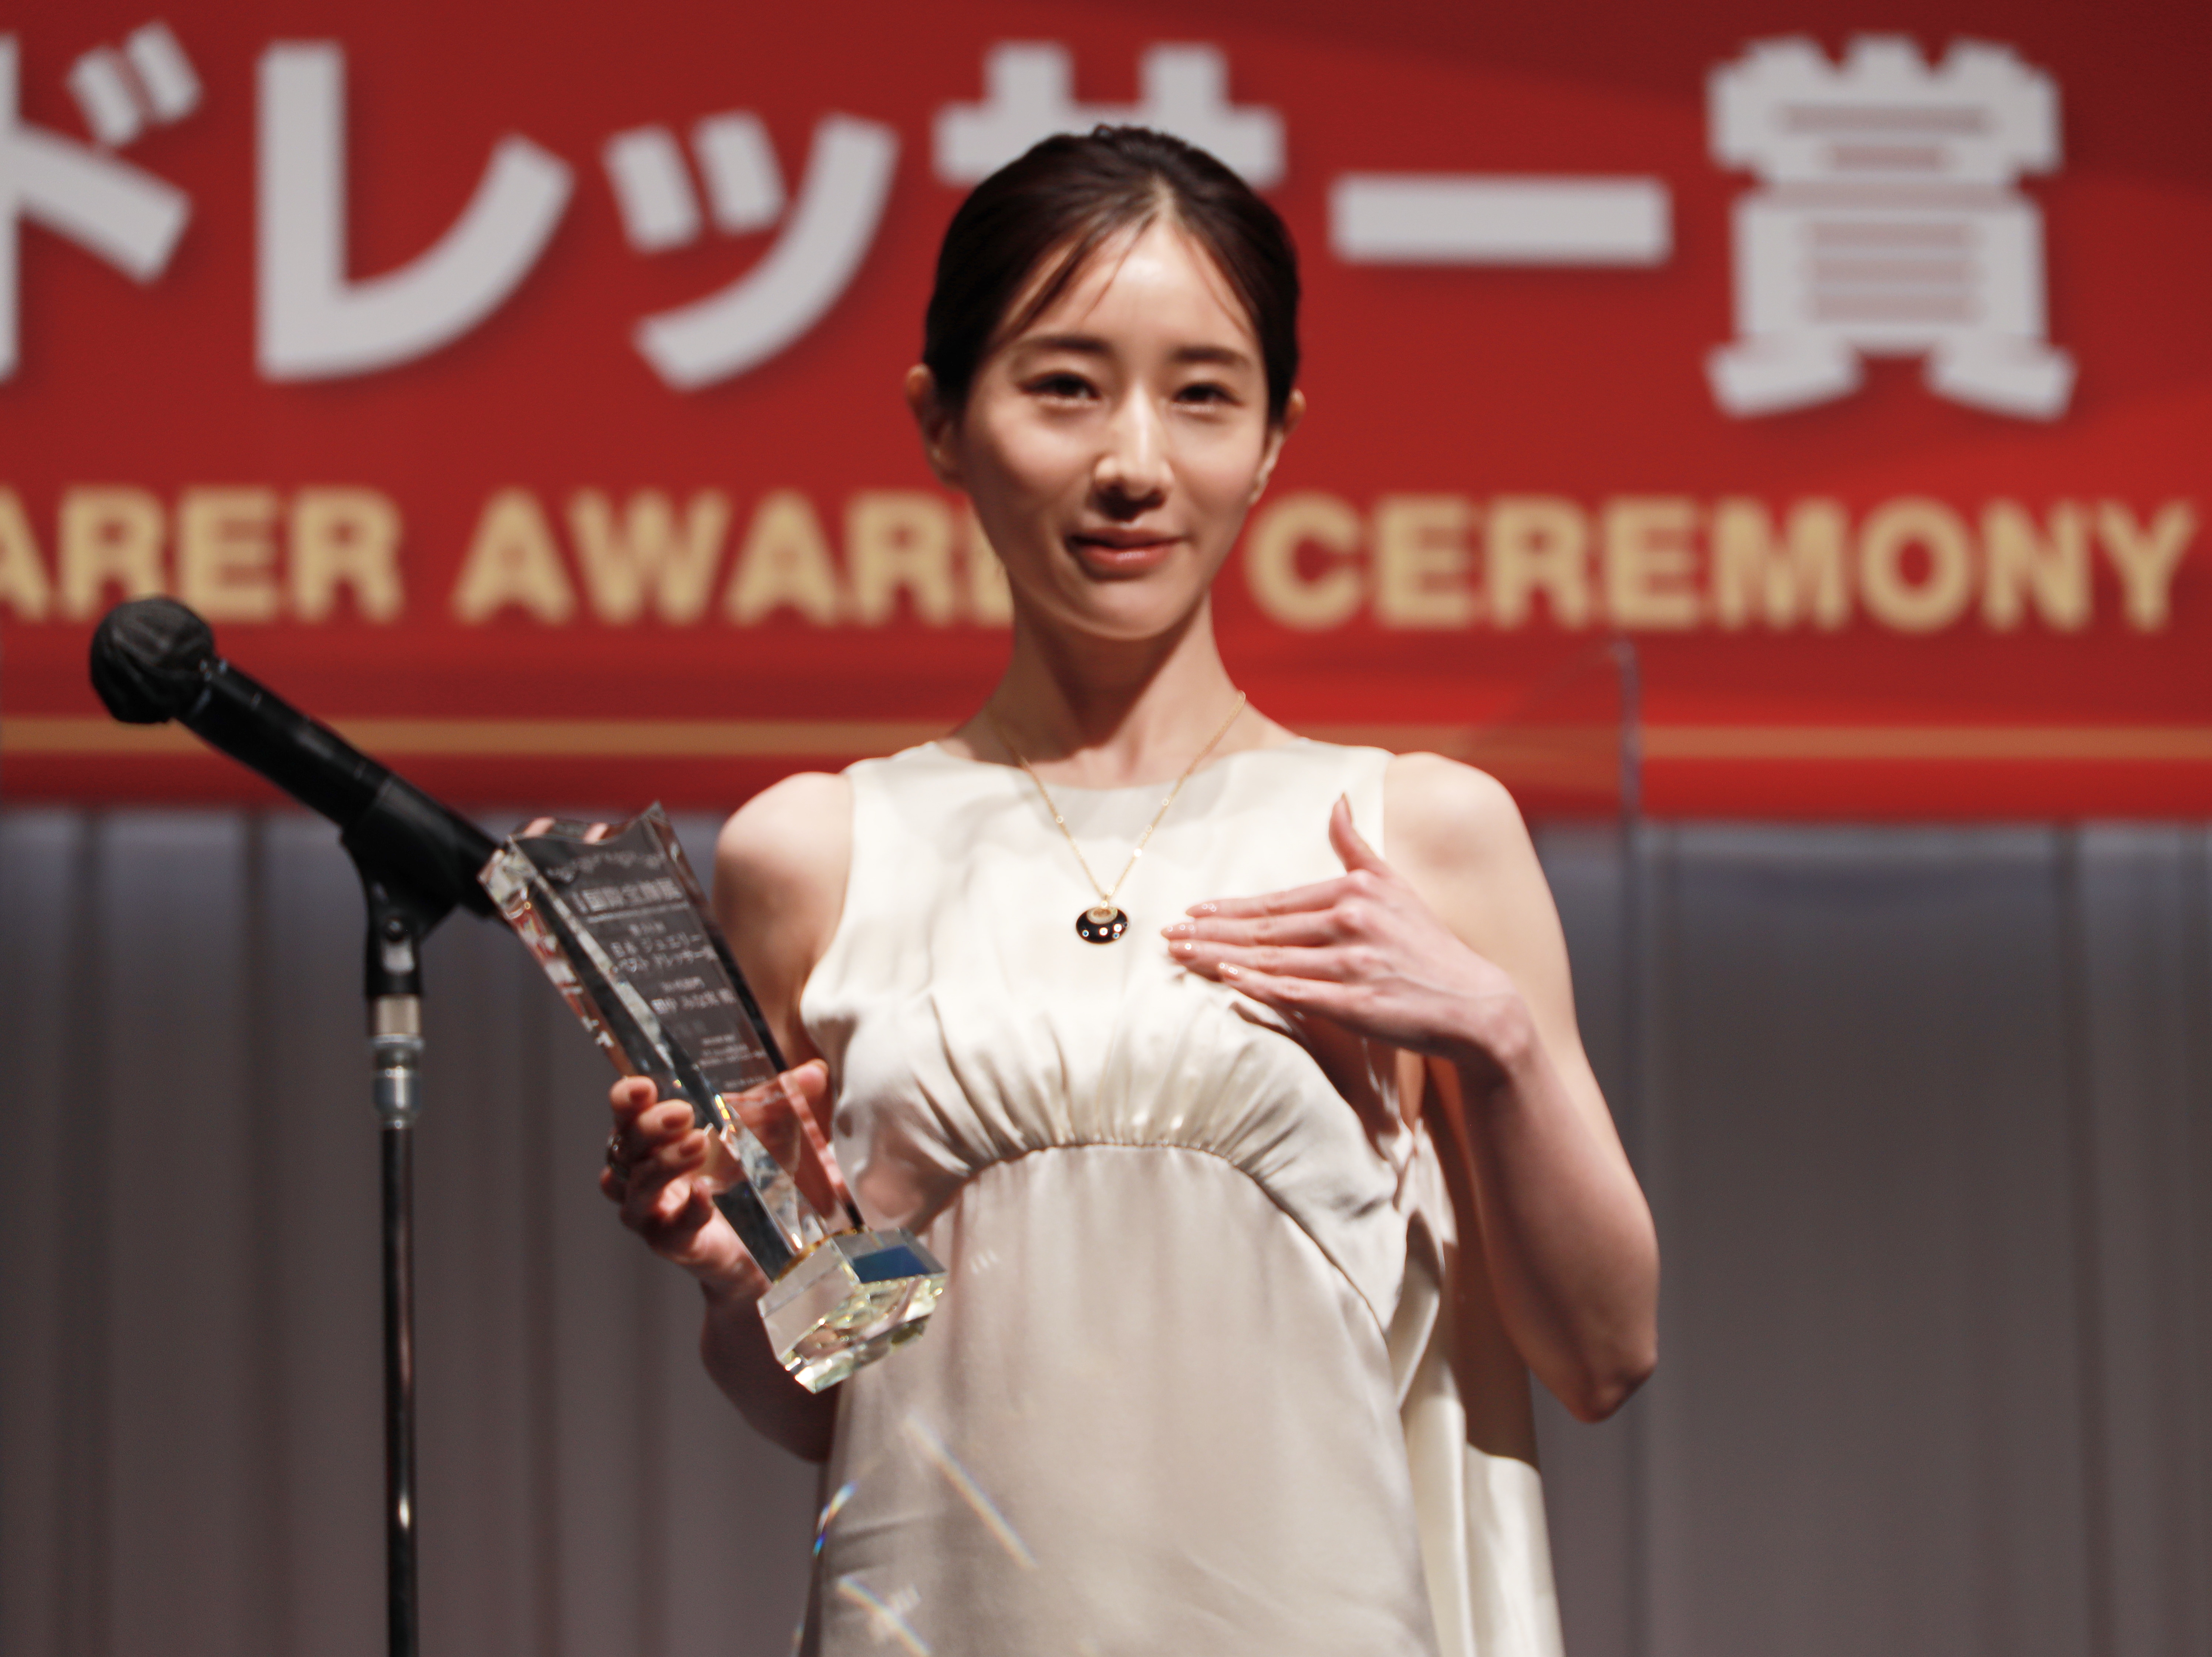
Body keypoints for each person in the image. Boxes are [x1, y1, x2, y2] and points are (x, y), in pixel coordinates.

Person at [600, 126, 1658, 1656]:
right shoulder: (814, 853)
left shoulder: (1418, 832)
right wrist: (729, 1275)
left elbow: (1603, 1353)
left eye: (1202, 394)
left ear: (1275, 438)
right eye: (1064, 387)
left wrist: (1496, 1040)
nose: (1134, 464)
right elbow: (844, 1397)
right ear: (941, 421)